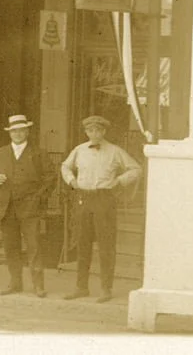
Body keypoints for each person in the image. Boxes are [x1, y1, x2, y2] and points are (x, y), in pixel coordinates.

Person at [59, 113, 143, 302]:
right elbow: (65, 167)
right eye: (90, 130)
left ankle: (106, 288)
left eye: (98, 130)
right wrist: (72, 181)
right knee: (82, 243)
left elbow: (136, 169)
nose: (94, 134)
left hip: (104, 199)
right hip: (83, 198)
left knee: (106, 244)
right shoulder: (79, 150)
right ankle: (81, 287)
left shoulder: (114, 151)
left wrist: (119, 181)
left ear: (104, 131)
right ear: (86, 131)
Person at [0, 112, 56, 295]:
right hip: (6, 208)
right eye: (14, 131)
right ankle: (15, 283)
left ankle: (38, 285)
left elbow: (50, 177)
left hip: (30, 207)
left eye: (21, 131)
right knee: (11, 246)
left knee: (34, 246)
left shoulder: (39, 153)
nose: (18, 134)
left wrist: (39, 198)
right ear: (9, 133)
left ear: (27, 132)